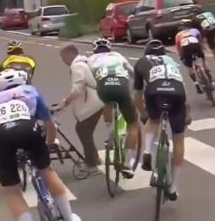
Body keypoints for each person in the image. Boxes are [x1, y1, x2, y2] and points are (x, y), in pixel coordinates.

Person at [0, 70, 81, 221]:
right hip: (28, 128)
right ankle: (69, 217)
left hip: (1, 135)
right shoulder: (31, 91)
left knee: (11, 190)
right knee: (47, 171)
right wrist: (50, 143)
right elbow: (49, 124)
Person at [134, 39, 189, 201]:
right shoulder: (172, 61)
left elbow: (136, 96)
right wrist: (187, 113)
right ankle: (173, 186)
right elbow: (183, 90)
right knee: (178, 139)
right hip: (177, 93)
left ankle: (147, 153)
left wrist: (143, 114)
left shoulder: (141, 62)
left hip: (154, 92)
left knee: (153, 120)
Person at [87, 38, 140, 177]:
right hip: (121, 85)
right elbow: (132, 72)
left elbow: (88, 79)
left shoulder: (91, 59)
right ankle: (127, 163)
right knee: (133, 123)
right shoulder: (117, 56)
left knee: (107, 102)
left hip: (104, 86)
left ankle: (109, 132)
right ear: (109, 48)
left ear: (94, 49)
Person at [58, 44, 105, 174]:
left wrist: (65, 102)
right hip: (96, 103)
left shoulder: (77, 66)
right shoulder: (83, 63)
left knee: (83, 131)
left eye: (63, 57)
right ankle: (94, 159)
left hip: (92, 105)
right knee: (84, 131)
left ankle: (91, 164)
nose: (63, 61)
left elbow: (77, 89)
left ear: (69, 55)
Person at [0, 40, 36, 114]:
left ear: (9, 53)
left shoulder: (7, 60)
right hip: (24, 82)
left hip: (8, 83)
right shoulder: (31, 59)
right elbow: (30, 75)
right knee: (34, 96)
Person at [175, 19, 214, 94]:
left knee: (189, 67)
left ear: (181, 27)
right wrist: (203, 52)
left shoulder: (178, 35)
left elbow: (179, 49)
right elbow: (201, 42)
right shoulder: (195, 30)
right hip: (195, 44)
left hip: (185, 46)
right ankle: (209, 78)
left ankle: (196, 84)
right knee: (203, 60)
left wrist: (182, 57)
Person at [193, 10, 215, 77]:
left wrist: (202, 39)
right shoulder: (209, 13)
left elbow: (197, 31)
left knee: (214, 50)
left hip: (208, 31)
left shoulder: (195, 19)